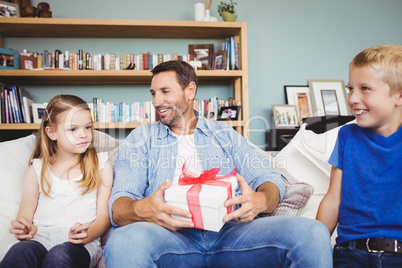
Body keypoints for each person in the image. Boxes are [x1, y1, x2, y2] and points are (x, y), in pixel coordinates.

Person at [104, 60, 332, 267]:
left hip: (232, 233)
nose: (156, 101)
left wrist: (261, 200)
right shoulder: (142, 138)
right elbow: (119, 205)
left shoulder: (223, 133)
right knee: (123, 241)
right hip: (168, 236)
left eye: (165, 91)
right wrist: (141, 209)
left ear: (190, 90)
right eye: (153, 93)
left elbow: (269, 179)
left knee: (311, 232)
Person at [0, 95, 113, 268]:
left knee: (58, 257)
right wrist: (25, 228)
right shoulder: (36, 169)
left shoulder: (101, 166)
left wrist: (87, 234)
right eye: (73, 129)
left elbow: (104, 217)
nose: (84, 134)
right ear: (52, 132)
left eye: (88, 127)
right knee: (19, 252)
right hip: (41, 238)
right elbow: (25, 216)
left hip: (79, 244)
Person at [316, 44, 402, 267]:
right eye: (350, 89)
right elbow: (333, 200)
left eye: (365, 88)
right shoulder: (347, 135)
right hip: (351, 253)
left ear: (399, 95)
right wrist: (312, 243)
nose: (353, 98)